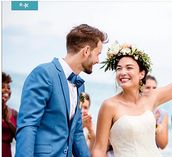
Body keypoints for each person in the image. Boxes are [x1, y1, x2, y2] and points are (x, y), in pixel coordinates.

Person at [15, 24, 107, 157]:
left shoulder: (81, 86)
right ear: (86, 51)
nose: (98, 61)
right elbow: (28, 125)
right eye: (98, 54)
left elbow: (77, 131)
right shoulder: (44, 73)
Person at [142, 75, 168, 149]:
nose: (152, 91)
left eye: (154, 88)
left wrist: (156, 127)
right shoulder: (134, 109)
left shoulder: (162, 113)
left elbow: (162, 145)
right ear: (140, 89)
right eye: (147, 87)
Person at [2, 72, 18, 157]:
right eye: (2, 87)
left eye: (8, 88)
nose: (6, 90)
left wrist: (8, 122)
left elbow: (20, 138)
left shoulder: (13, 113)